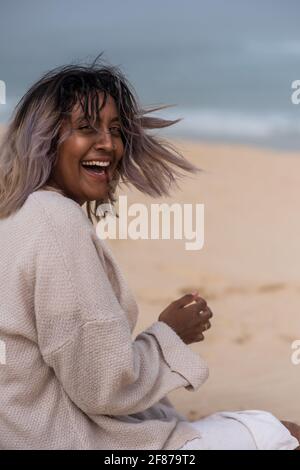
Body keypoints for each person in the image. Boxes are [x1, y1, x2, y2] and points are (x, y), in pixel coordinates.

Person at [0, 55, 299, 450]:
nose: (107, 143)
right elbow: (100, 385)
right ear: (44, 139)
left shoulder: (15, 213)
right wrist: (169, 335)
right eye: (86, 128)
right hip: (68, 440)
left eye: (116, 130)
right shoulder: (56, 221)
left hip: (22, 432)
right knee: (285, 436)